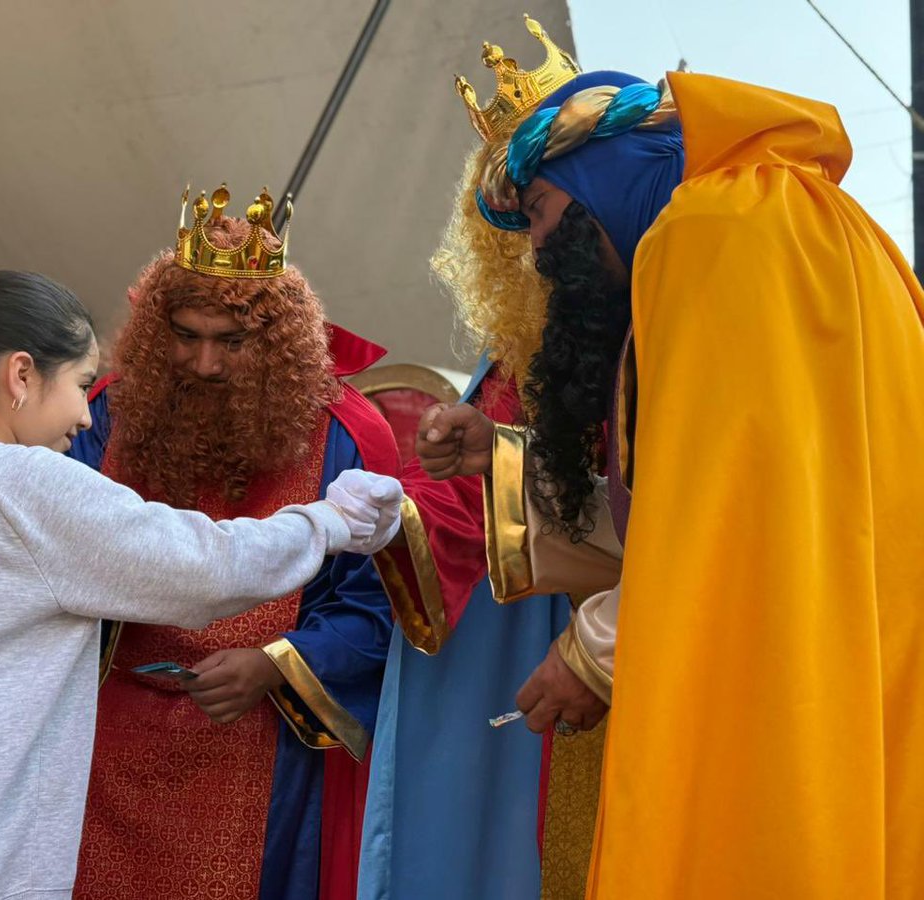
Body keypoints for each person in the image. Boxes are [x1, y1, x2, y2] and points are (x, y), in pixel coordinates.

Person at [417, 62, 924, 898]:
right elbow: (770, 489)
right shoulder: (799, 216)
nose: (539, 252)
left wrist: (595, 651)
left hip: (784, 688)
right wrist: (508, 461)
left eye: (539, 210)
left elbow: (737, 514)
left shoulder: (708, 231)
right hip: (857, 657)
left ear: (600, 167)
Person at [0, 270, 403, 900]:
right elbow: (208, 567)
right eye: (78, 383)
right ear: (21, 376)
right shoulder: (30, 486)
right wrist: (331, 519)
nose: (86, 411)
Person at [69, 185, 400, 900]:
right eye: (185, 336)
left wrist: (279, 663)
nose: (206, 364)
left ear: (277, 339)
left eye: (233, 341)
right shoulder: (104, 416)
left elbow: (378, 609)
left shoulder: (351, 437)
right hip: (100, 741)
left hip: (261, 747)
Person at [357, 19, 595, 900]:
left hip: (595, 620)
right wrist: (434, 482)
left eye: (545, 205)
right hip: (512, 628)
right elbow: (475, 499)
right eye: (519, 211)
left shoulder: (639, 316)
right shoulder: (516, 352)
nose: (533, 235)